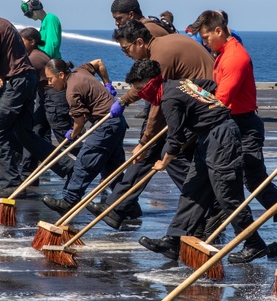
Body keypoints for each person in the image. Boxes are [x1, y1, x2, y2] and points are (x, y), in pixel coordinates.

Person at [190, 9, 277, 262]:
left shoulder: (234, 57)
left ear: (218, 31)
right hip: (235, 123)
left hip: (244, 127)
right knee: (243, 182)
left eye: (205, 37)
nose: (204, 42)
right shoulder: (223, 53)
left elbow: (222, 100)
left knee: (249, 182)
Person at [125, 58, 267, 259]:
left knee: (227, 194)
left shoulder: (169, 99)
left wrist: (164, 162)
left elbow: (175, 138)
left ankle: (254, 243)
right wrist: (206, 106)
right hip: (206, 137)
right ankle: (175, 239)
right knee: (193, 188)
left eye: (141, 88)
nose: (141, 94)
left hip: (221, 137)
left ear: (151, 83)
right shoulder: (181, 83)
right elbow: (211, 85)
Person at [88, 18, 214, 232]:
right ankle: (116, 207)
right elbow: (144, 88)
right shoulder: (158, 47)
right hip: (190, 101)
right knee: (151, 155)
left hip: (201, 105)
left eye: (126, 49)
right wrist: (123, 101)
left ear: (139, 42)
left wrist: (143, 141)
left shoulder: (160, 56)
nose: (126, 54)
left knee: (169, 156)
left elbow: (157, 106)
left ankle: (206, 208)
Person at [0, 0, 73, 199]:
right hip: (27, 79)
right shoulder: (5, 24)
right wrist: (2, 75)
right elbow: (11, 57)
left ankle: (11, 183)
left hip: (19, 82)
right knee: (24, 133)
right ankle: (67, 167)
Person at [40, 58, 127, 214]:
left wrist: (72, 135)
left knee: (85, 160)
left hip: (106, 125)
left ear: (60, 75)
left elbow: (79, 123)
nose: (50, 83)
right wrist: (107, 83)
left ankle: (69, 200)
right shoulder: (80, 70)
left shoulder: (71, 91)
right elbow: (99, 62)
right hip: (117, 123)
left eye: (51, 78)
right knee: (112, 168)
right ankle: (128, 207)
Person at [21, 0, 72, 143]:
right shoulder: (44, 23)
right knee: (39, 128)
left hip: (51, 76)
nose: (28, 15)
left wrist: (37, 61)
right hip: (45, 80)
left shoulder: (51, 19)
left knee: (60, 129)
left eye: (28, 11)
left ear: (34, 7)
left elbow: (51, 46)